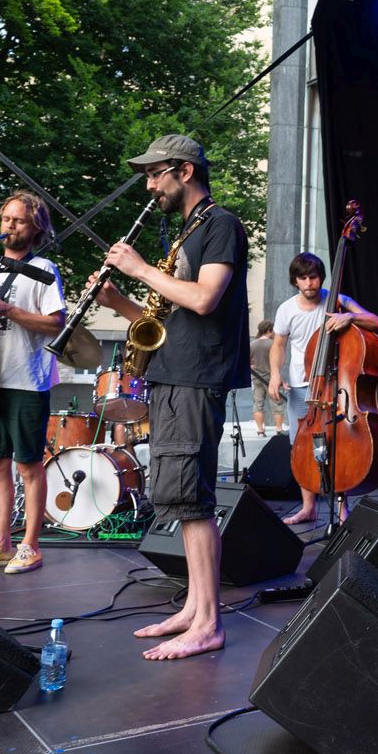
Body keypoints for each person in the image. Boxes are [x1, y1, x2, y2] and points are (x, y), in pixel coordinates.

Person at [90, 133, 249, 660]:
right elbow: (165, 320)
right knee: (180, 499)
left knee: (194, 502)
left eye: (155, 174)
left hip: (197, 377)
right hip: (174, 371)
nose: (149, 186)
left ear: (184, 171)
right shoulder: (187, 231)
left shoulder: (220, 224)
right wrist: (118, 300)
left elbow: (204, 299)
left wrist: (138, 268)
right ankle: (194, 608)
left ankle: (209, 623)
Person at [0, 190, 66, 576]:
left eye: (18, 220)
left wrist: (10, 310)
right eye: (6, 219)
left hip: (27, 380)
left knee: (28, 466)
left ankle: (30, 546)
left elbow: (56, 323)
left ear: (35, 227)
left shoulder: (45, 269)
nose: (9, 226)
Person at [266, 252, 378, 525]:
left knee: (337, 443)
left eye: (314, 277)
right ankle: (308, 508)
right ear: (295, 281)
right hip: (302, 386)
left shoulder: (338, 301)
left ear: (321, 278)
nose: (309, 283)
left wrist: (350, 318)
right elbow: (278, 346)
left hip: (334, 383)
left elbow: (376, 322)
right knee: (301, 445)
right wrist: (274, 375)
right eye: (303, 278)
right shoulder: (286, 309)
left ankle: (342, 509)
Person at [250, 320, 285, 436]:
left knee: (258, 404)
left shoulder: (252, 344)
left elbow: (246, 362)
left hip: (257, 379)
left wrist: (254, 366)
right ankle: (279, 429)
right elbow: (280, 360)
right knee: (277, 404)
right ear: (269, 330)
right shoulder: (273, 344)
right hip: (272, 379)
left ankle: (260, 430)